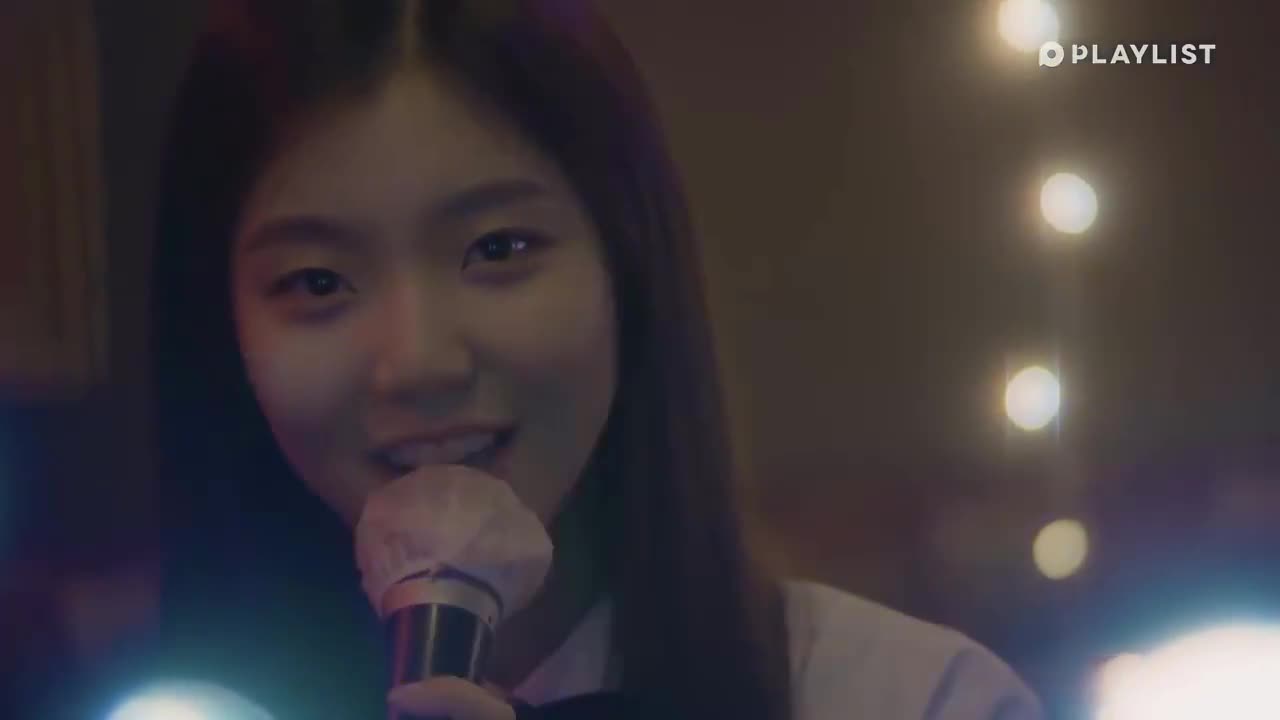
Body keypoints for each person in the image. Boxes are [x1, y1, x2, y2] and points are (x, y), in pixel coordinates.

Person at [134, 1, 1046, 719]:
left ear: (629, 263)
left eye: (498, 248)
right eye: (318, 281)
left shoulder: (908, 698)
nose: (417, 362)